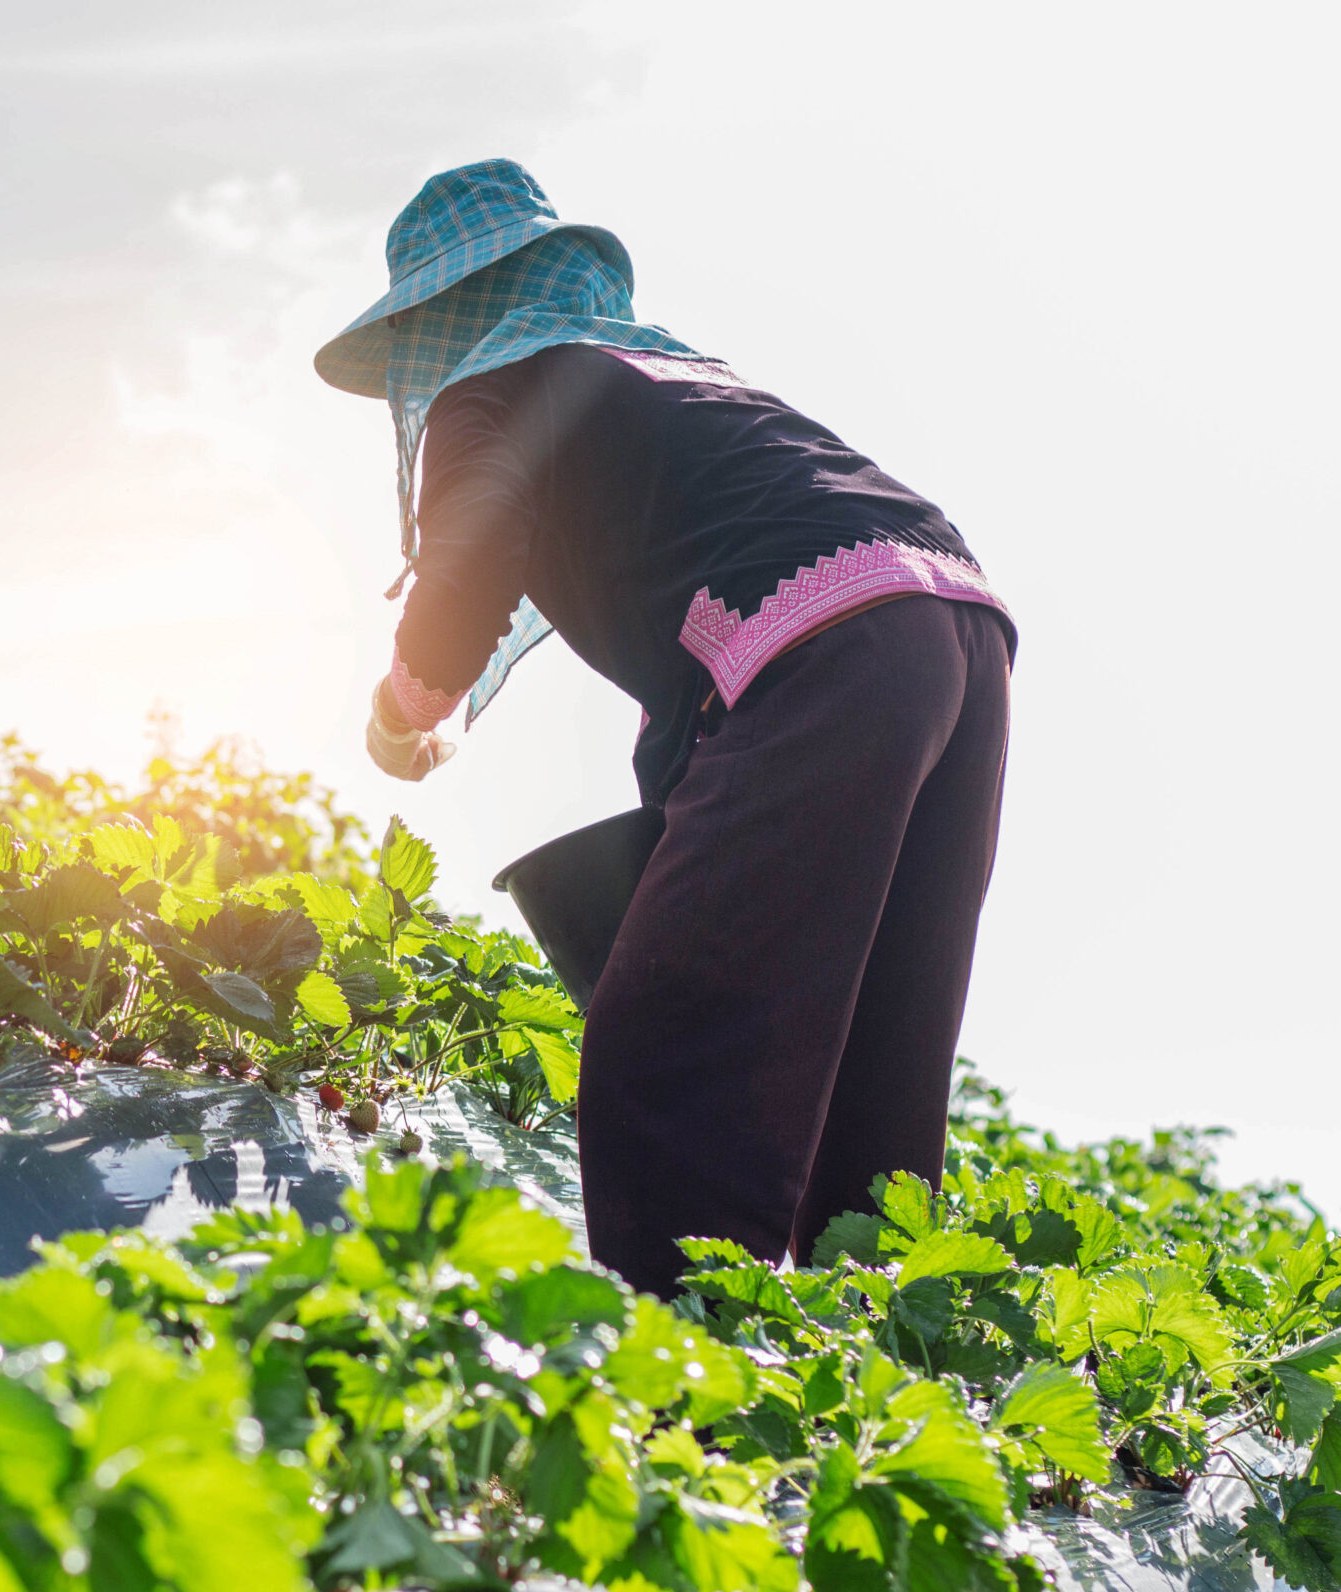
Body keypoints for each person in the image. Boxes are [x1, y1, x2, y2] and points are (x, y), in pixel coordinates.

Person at [317, 161, 1014, 1295]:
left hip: (832, 641)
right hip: (955, 624)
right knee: (873, 1067)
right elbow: (710, 596)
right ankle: (887, 1348)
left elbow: (469, 558)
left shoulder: (490, 386)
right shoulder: (663, 376)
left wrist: (404, 710)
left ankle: (683, 1381)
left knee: (665, 1048)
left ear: (438, 321)